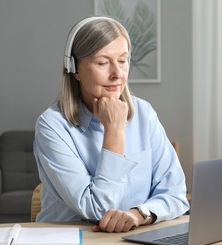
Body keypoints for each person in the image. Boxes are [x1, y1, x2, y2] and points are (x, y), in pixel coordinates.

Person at [33, 16, 189, 233]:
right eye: (103, 62)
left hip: (132, 241)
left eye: (123, 60)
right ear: (74, 69)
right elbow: (98, 209)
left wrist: (138, 214)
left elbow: (176, 195)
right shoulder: (52, 126)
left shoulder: (144, 114)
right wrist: (114, 130)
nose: (117, 74)